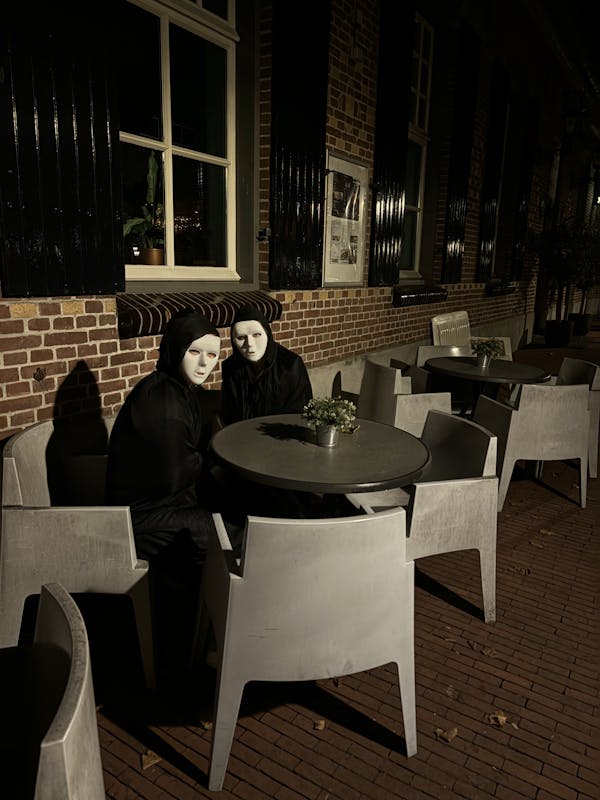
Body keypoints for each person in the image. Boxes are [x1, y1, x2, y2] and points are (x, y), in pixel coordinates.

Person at [106, 310, 242, 691]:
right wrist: (209, 459)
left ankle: (207, 631)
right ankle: (204, 646)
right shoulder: (164, 401)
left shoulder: (172, 388)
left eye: (212, 355)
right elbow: (173, 474)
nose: (204, 364)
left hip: (160, 504)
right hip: (139, 518)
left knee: (227, 517)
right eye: (194, 352)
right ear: (175, 349)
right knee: (226, 533)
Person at [220, 304, 313, 424]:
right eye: (241, 338)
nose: (250, 344)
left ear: (267, 334)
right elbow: (228, 412)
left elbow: (300, 412)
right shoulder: (230, 367)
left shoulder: (290, 365)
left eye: (256, 335)